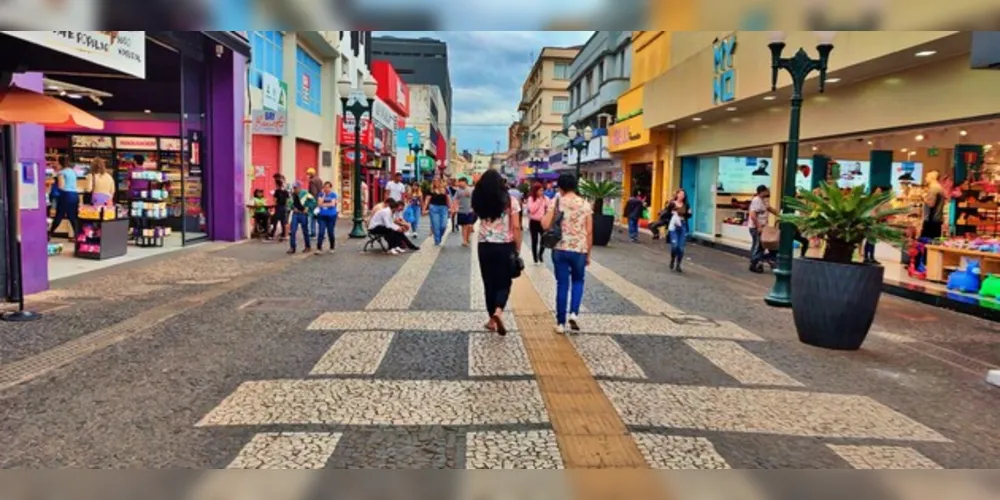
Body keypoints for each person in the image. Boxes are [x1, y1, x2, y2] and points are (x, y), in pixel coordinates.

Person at [472, 169, 522, 336]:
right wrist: (517, 247)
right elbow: (516, 226)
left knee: (488, 282)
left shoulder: (478, 199)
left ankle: (491, 320)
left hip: (484, 245)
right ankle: (498, 311)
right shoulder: (510, 201)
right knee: (504, 281)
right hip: (504, 246)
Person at [542, 173, 593, 334]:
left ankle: (560, 323)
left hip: (560, 248)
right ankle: (574, 313)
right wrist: (588, 253)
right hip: (579, 249)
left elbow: (544, 224)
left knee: (562, 284)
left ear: (561, 187)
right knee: (578, 281)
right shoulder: (585, 204)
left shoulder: (556, 202)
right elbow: (589, 231)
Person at [748, 184, 779, 273]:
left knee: (761, 246)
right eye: (766, 191)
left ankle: (759, 262)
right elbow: (753, 215)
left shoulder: (764, 200)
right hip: (756, 227)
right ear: (762, 192)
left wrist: (780, 215)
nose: (768, 192)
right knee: (758, 246)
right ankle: (754, 264)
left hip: (763, 227)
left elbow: (769, 208)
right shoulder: (756, 200)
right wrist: (758, 226)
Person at [48, 157, 80, 241]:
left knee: (59, 215)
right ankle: (77, 236)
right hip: (75, 195)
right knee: (73, 217)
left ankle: (49, 234)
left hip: (65, 195)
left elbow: (61, 186)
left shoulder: (61, 173)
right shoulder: (73, 172)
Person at [288, 181, 316, 254]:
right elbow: (289, 203)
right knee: (292, 230)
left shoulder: (305, 193)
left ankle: (307, 246)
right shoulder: (292, 195)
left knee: (305, 230)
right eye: (294, 188)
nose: (295, 189)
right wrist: (292, 208)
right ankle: (292, 247)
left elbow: (313, 201)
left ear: (300, 187)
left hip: (303, 214)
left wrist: (308, 208)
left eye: (296, 188)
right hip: (295, 214)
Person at [666, 189, 691, 272]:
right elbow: (666, 213)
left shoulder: (686, 205)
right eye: (680, 194)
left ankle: (678, 264)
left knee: (681, 248)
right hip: (674, 226)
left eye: (683, 194)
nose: (682, 196)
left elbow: (689, 215)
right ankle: (672, 259)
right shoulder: (672, 203)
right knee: (675, 245)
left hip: (682, 225)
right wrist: (672, 214)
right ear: (677, 195)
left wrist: (688, 213)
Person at [525, 182, 549, 264]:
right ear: (535, 191)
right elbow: (532, 210)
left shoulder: (546, 198)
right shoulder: (531, 199)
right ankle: (535, 257)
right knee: (534, 240)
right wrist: (539, 201)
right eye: (540, 190)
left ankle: (540, 254)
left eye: (542, 190)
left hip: (542, 222)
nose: (541, 192)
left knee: (544, 239)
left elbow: (549, 209)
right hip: (534, 222)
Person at [423, 178, 451, 246]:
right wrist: (424, 209)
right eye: (434, 181)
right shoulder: (431, 190)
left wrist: (450, 208)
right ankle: (437, 241)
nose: (436, 183)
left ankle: (439, 237)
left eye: (438, 181)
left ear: (440, 182)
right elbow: (427, 200)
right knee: (436, 226)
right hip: (433, 208)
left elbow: (448, 199)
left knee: (443, 226)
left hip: (444, 208)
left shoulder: (445, 190)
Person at [921, 171, 946, 239]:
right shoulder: (939, 187)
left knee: (927, 242)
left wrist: (923, 198)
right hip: (936, 219)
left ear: (932, 178)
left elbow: (931, 204)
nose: (925, 178)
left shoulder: (934, 188)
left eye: (927, 176)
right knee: (934, 241)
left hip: (931, 220)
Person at [453, 177, 477, 247]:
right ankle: (464, 240)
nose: (459, 183)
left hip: (470, 210)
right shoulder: (458, 191)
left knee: (469, 226)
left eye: (460, 182)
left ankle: (467, 238)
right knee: (464, 226)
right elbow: (455, 199)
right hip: (461, 211)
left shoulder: (471, 189)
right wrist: (454, 208)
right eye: (458, 182)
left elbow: (475, 198)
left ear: (465, 182)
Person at [316, 181, 338, 253]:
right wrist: (324, 197)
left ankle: (332, 247)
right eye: (325, 187)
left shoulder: (333, 195)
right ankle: (319, 248)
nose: (326, 189)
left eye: (328, 187)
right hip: (322, 216)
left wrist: (323, 204)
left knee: (330, 232)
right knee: (321, 232)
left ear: (330, 188)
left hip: (331, 215)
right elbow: (319, 204)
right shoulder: (321, 194)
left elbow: (332, 204)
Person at [270, 174, 290, 242]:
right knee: (283, 221)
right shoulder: (285, 191)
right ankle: (284, 234)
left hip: (278, 207)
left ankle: (272, 234)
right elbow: (287, 200)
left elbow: (275, 200)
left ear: (277, 184)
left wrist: (274, 204)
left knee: (275, 221)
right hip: (284, 207)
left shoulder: (276, 191)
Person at [306, 168, 323, 238]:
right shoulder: (319, 179)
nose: (307, 175)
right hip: (319, 200)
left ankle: (312, 232)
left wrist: (309, 199)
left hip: (313, 201)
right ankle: (321, 232)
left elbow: (313, 192)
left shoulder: (312, 181)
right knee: (319, 217)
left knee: (311, 216)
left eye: (308, 174)